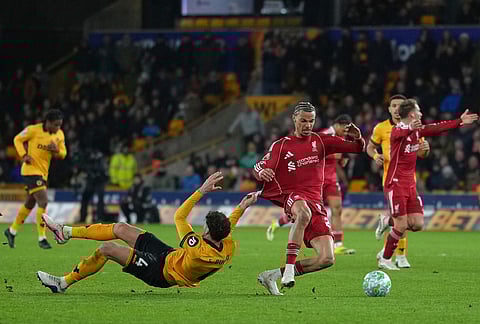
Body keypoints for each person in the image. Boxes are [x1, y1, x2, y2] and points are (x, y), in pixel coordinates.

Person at [36, 172, 258, 293]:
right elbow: (229, 224)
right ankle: (65, 232)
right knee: (121, 228)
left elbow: (179, 216)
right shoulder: (226, 245)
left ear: (207, 231)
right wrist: (242, 206)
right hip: (170, 256)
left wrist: (201, 191)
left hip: (160, 273)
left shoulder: (195, 247)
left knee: (106, 250)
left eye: (204, 227)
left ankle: (63, 282)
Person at [253, 101, 365, 295]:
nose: (307, 125)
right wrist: (261, 172)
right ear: (294, 119)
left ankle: (272, 275)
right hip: (293, 198)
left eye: (311, 121)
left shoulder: (321, 141)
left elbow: (357, 149)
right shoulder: (282, 145)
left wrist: (359, 138)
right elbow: (259, 166)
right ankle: (289, 270)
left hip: (316, 204)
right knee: (303, 212)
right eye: (303, 120)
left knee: (327, 259)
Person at [377, 99, 478, 270]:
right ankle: (385, 259)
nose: (422, 114)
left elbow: (437, 127)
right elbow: (400, 134)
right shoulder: (397, 130)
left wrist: (460, 121)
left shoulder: (418, 131)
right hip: (395, 184)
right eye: (419, 111)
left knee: (417, 224)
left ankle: (387, 220)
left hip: (410, 184)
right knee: (401, 225)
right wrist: (410, 128)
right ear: (412, 114)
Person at [265, 114, 356, 256]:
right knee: (304, 213)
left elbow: (340, 156)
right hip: (313, 182)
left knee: (337, 208)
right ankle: (278, 223)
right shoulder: (323, 135)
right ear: (337, 125)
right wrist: (340, 155)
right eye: (344, 128)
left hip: (331, 180)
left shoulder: (342, 138)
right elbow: (315, 152)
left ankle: (338, 244)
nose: (346, 132)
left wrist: (343, 158)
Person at [367, 95, 430, 269]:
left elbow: (421, 153)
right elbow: (369, 146)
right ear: (389, 108)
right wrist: (375, 156)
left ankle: (387, 226)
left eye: (399, 106)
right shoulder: (381, 128)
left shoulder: (415, 128)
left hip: (410, 180)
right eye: (393, 105)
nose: (396, 108)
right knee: (401, 222)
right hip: (391, 179)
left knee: (411, 222)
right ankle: (397, 256)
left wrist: (426, 149)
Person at [4, 109, 66, 249]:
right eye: (55, 125)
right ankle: (42, 238)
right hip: (30, 171)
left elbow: (64, 153)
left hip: (43, 173)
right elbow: (17, 139)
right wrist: (24, 155)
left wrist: (56, 150)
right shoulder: (33, 130)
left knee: (30, 203)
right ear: (48, 122)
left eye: (59, 125)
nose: (58, 128)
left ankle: (11, 231)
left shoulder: (59, 135)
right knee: (43, 201)